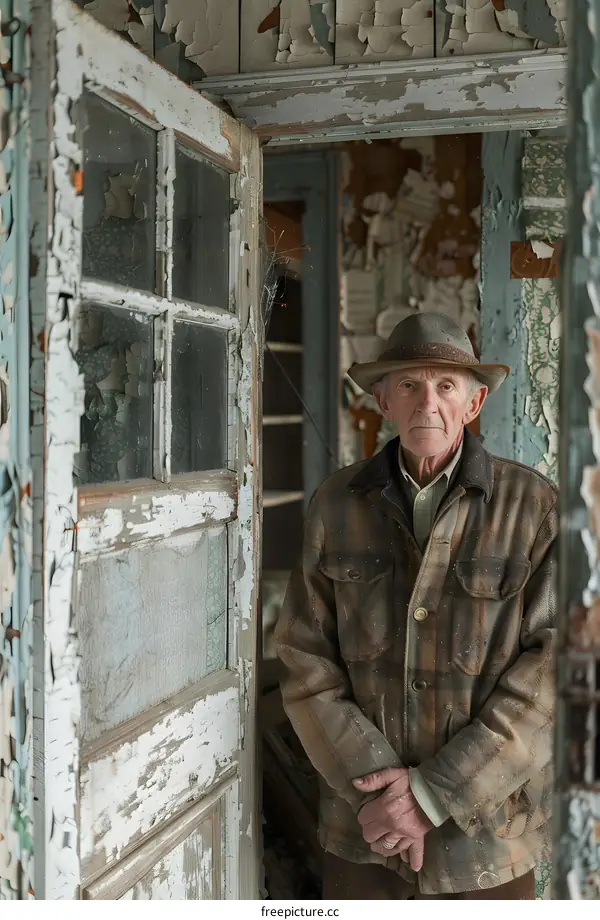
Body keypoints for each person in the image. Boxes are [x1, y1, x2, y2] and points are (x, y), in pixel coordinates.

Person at [275, 312, 556, 900]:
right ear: (383, 400)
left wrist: (434, 795)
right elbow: (306, 662)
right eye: (408, 385)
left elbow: (556, 671)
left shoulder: (531, 507)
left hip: (486, 837)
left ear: (473, 404)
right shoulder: (335, 504)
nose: (427, 402)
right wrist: (385, 801)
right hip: (364, 831)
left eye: (446, 386)